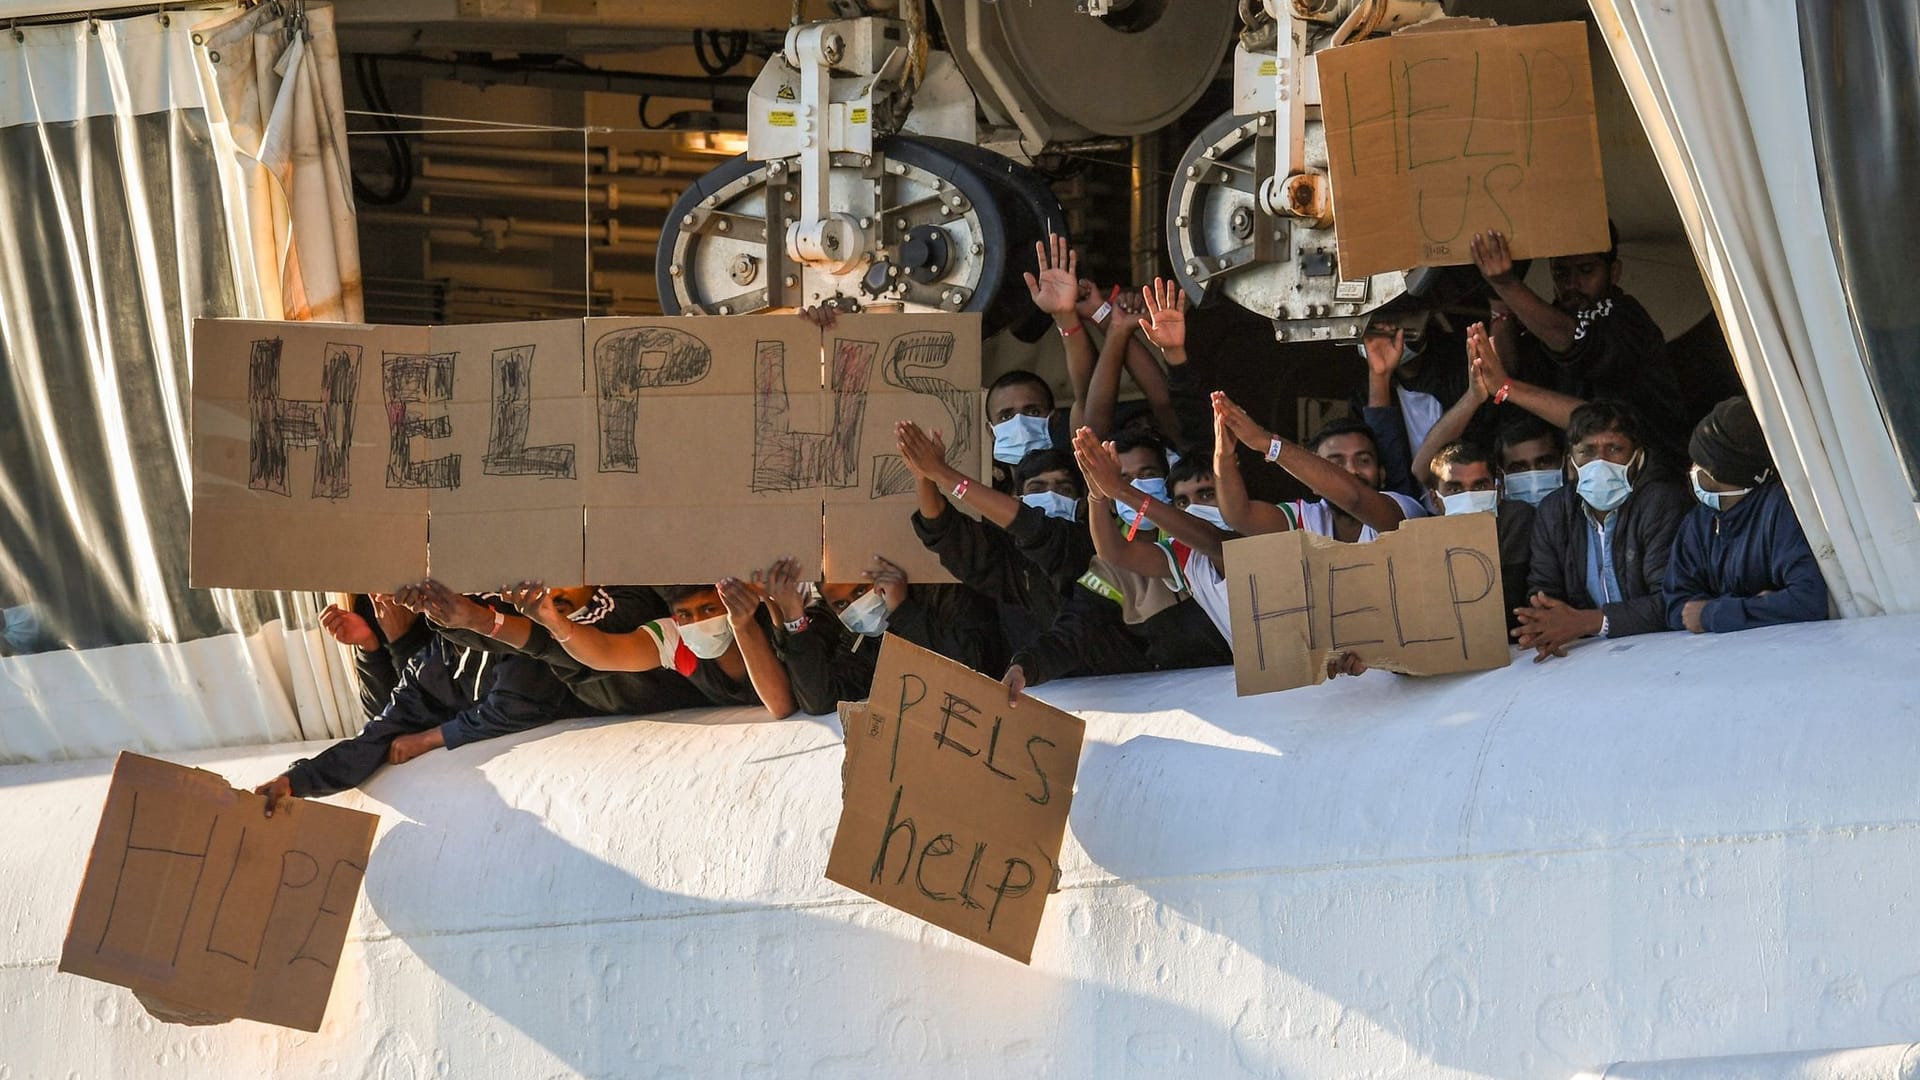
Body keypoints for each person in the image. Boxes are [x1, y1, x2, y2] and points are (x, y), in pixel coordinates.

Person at [254, 596, 583, 812]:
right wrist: (295, 780)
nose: (388, 600)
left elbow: (518, 705)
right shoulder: (436, 655)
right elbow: (383, 727)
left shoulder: (517, 624)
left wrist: (430, 738)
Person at [1469, 223, 1688, 459]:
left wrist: (1507, 284)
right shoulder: (1547, 322)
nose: (1572, 283)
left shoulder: (1627, 320)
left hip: (1652, 471)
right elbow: (1511, 373)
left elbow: (1571, 341)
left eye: (1586, 270)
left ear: (1613, 272)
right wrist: (1499, 303)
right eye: (1561, 272)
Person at [1519, 400, 1692, 661]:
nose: (1600, 462)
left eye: (1614, 449)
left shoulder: (1661, 502)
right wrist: (1541, 623)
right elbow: (1543, 589)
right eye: (1587, 452)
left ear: (1638, 458)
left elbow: (1673, 600)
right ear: (1570, 464)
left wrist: (1589, 622)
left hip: (1666, 653)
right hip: (1588, 660)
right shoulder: (1554, 511)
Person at [395, 581, 710, 718]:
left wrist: (479, 620)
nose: (548, 592)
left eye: (560, 601)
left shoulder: (630, 602)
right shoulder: (667, 637)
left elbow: (600, 647)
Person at [501, 579, 797, 719]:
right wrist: (555, 623)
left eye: (708, 609)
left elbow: (781, 705)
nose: (697, 622)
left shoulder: (763, 622)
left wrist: (743, 625)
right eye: (685, 614)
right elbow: (607, 652)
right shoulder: (675, 637)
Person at [758, 554, 1006, 715]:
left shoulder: (938, 593)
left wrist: (903, 610)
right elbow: (820, 700)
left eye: (860, 592)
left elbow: (977, 664)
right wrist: (793, 617)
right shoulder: (860, 642)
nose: (856, 607)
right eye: (841, 605)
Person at [1665, 396, 1829, 633]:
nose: (1692, 470)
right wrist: (1754, 606)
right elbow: (1677, 607)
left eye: (1700, 463)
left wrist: (1714, 613)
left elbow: (1808, 600)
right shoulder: (1700, 521)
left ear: (1721, 473)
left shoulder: (1781, 510)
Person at [1210, 391, 1429, 542]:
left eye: (1363, 460)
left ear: (1381, 473)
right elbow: (1240, 517)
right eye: (1336, 463)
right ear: (1314, 481)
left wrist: (1267, 444)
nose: (1351, 470)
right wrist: (1224, 455)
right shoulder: (1309, 518)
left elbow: (1355, 498)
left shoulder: (1403, 507)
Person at [1429, 440, 1536, 627]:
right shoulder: (1424, 542)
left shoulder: (1519, 521)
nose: (1468, 497)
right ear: (1435, 500)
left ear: (1498, 489)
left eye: (1479, 487)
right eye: (1455, 489)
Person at [320, 592, 429, 722]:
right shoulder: (367, 603)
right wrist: (369, 645)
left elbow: (440, 709)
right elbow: (383, 715)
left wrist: (402, 640)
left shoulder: (436, 605)